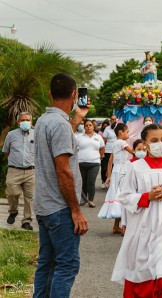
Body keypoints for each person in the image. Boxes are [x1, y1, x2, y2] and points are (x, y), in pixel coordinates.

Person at [111, 124, 162, 297]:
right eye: (154, 140)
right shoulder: (135, 167)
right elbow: (125, 196)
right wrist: (147, 197)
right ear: (145, 143)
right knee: (142, 278)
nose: (160, 144)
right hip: (142, 229)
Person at [33, 73, 89, 297]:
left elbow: (61, 137)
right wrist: (76, 210)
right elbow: (63, 170)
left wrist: (77, 119)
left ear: (50, 93)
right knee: (67, 265)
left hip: (45, 206)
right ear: (74, 94)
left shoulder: (44, 120)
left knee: (46, 264)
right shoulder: (60, 125)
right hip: (60, 209)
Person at [98, 123, 134, 234]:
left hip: (116, 171)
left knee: (118, 197)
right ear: (120, 132)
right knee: (123, 196)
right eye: (127, 131)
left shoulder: (114, 143)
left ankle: (116, 226)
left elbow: (110, 161)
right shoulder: (122, 143)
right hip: (122, 171)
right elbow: (133, 152)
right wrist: (144, 149)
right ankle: (123, 226)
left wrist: (109, 176)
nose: (128, 134)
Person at [2, 112, 35, 230]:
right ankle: (13, 211)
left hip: (31, 171)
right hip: (14, 170)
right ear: (18, 122)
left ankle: (26, 221)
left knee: (29, 197)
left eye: (27, 120)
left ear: (31, 122)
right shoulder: (11, 135)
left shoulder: (36, 134)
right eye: (22, 120)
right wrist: (13, 161)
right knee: (11, 193)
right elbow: (6, 151)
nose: (25, 122)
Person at [77, 119, 105, 208]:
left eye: (90, 125)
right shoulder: (79, 136)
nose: (88, 127)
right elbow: (74, 149)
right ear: (84, 127)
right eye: (86, 125)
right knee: (83, 182)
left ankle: (91, 200)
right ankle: (83, 199)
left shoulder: (98, 137)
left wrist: (99, 157)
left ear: (93, 126)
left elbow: (102, 148)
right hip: (81, 163)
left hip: (94, 163)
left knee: (91, 181)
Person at [102, 115, 118, 188]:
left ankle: (114, 182)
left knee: (115, 165)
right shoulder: (107, 129)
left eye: (115, 119)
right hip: (108, 149)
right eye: (112, 119)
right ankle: (105, 180)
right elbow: (104, 140)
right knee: (107, 166)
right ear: (110, 120)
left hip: (117, 149)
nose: (113, 121)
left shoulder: (119, 127)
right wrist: (102, 150)